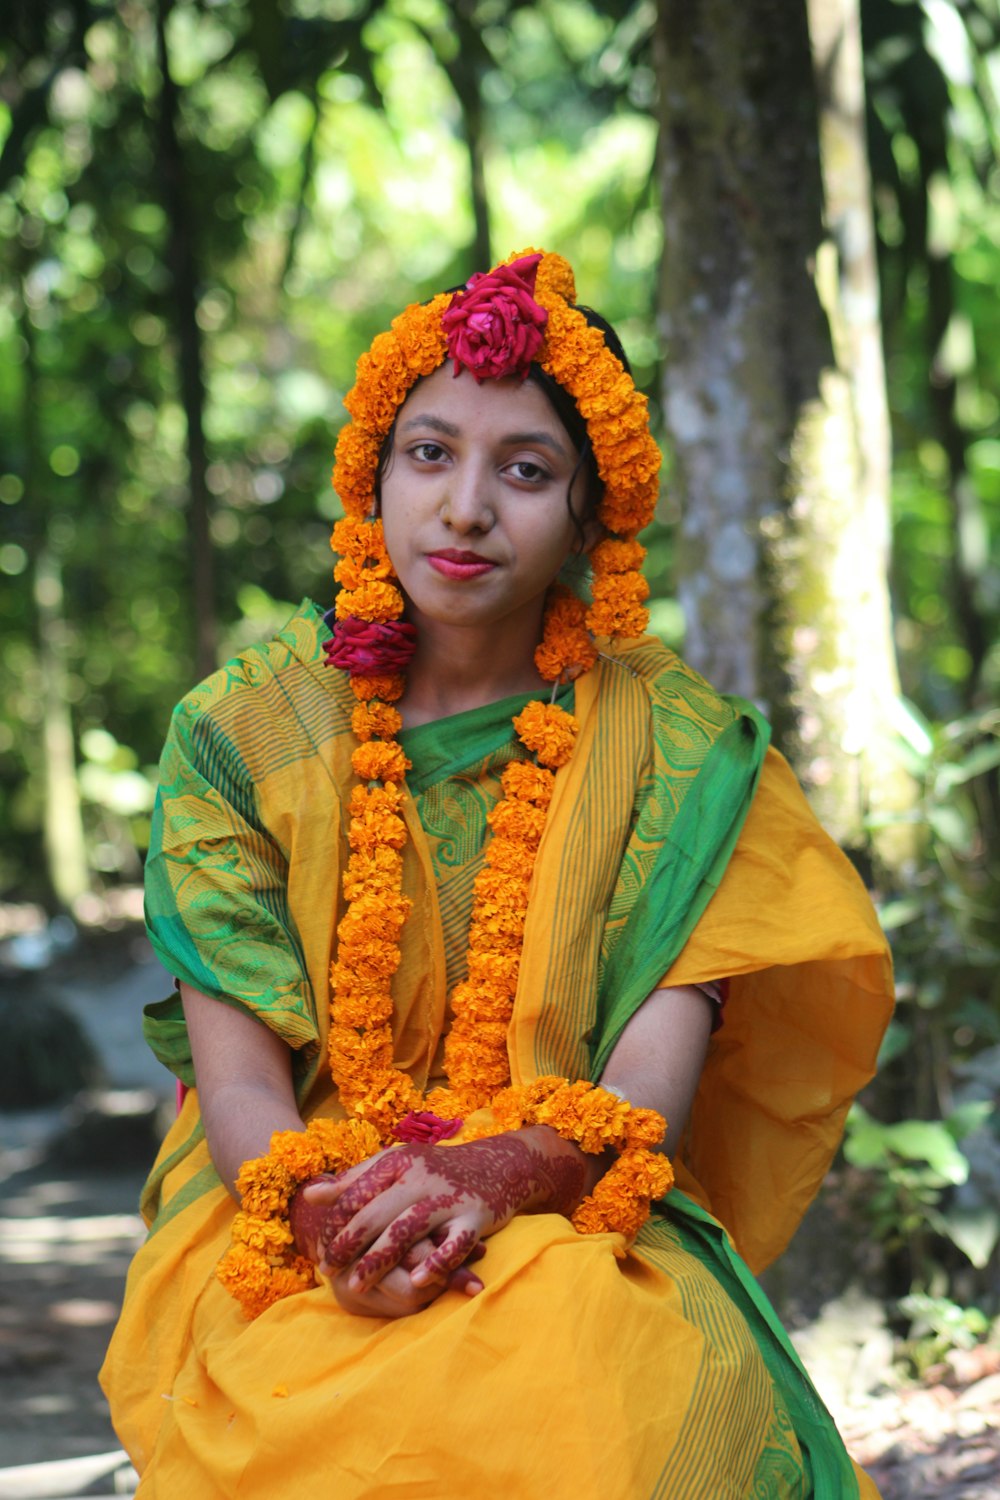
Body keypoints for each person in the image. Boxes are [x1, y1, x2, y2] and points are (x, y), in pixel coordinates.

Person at [101, 250, 893, 1498]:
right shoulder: (244, 733)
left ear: (593, 513)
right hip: (290, 1200)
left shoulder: (683, 757)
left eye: (523, 470)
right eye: (429, 454)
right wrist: (330, 1221)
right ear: (374, 472)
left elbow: (644, 1095)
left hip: (572, 1205)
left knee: (588, 1371)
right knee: (285, 1401)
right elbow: (241, 1076)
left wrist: (497, 1176)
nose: (464, 508)